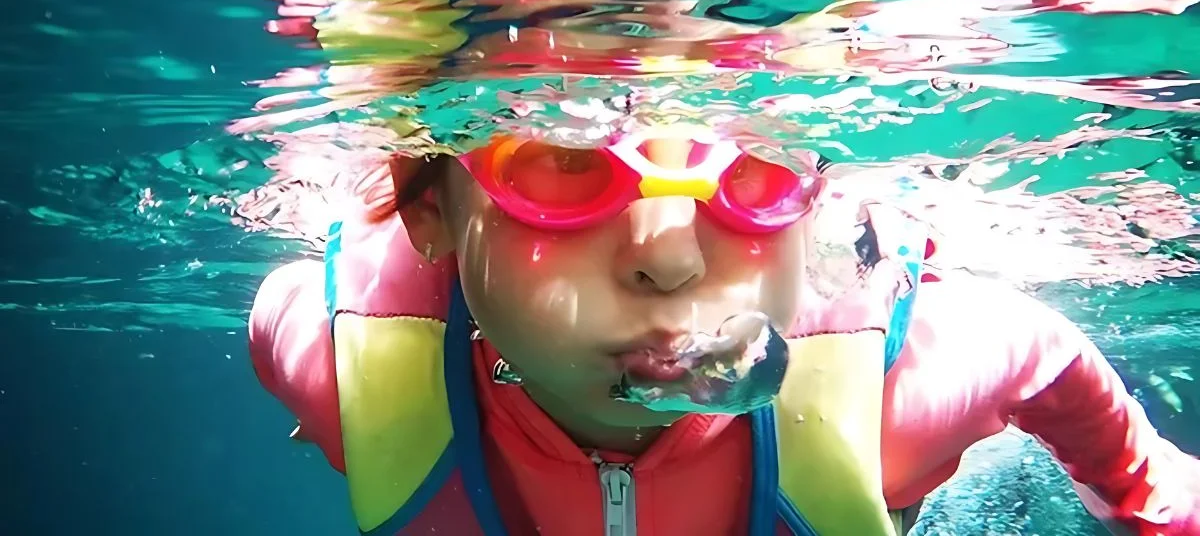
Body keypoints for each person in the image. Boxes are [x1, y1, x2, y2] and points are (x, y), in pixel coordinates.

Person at [248, 124, 1200, 535]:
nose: (670, 257)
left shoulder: (886, 402)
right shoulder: (359, 374)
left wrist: (1147, 496)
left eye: (747, 161)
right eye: (564, 158)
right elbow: (279, 311)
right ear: (432, 217)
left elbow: (1043, 352)